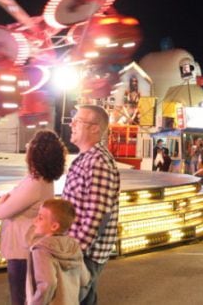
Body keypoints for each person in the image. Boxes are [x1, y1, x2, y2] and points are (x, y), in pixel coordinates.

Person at [0, 130, 67, 305]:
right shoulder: (42, 180)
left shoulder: (34, 185)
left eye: (30, 145)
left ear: (35, 154)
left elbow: (1, 212)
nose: (27, 147)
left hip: (22, 250)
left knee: (21, 297)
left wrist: (1, 202)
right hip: (26, 247)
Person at [62, 105, 120, 305]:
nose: (72, 124)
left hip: (84, 254)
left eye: (78, 121)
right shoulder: (87, 159)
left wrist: (71, 252)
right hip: (80, 251)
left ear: (95, 128)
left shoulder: (98, 162)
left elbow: (96, 215)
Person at [27, 199, 90, 305]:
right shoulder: (74, 245)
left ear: (54, 226)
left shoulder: (42, 249)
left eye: (40, 218)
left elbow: (47, 283)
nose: (35, 220)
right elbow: (85, 279)